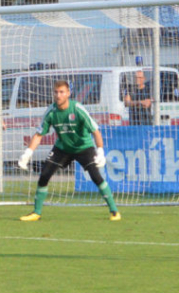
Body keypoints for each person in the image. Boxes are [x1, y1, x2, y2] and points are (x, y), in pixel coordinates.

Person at [17, 80, 121, 222]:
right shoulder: (51, 112)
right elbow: (39, 135)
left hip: (83, 147)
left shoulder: (77, 109)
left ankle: (114, 211)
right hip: (63, 148)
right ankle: (36, 212)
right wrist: (27, 153)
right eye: (56, 92)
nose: (58, 95)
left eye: (61, 92)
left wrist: (100, 151)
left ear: (68, 93)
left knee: (96, 176)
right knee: (44, 174)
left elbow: (95, 131)